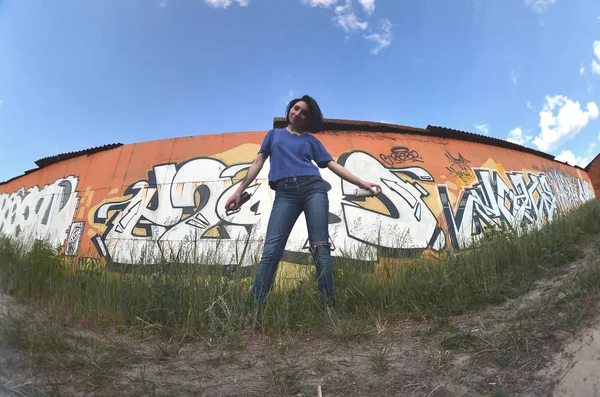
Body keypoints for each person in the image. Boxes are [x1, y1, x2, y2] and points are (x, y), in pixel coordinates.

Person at [225, 95, 381, 306]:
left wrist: (363, 184)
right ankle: (255, 307)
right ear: (290, 109)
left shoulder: (311, 141)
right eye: (295, 108)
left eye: (304, 112)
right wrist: (238, 191)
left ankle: (328, 307)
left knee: (320, 248)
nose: (297, 113)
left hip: (313, 189)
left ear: (308, 118)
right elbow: (257, 162)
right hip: (285, 193)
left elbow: (333, 165)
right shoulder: (273, 135)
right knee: (271, 250)